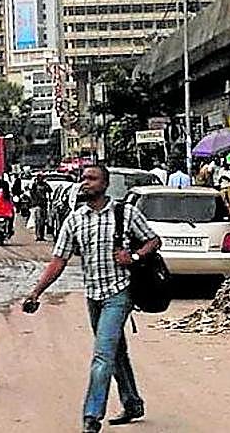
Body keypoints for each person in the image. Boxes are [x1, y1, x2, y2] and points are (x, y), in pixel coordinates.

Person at [23, 164, 162, 432]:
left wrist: (134, 256)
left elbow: (153, 241)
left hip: (119, 293)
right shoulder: (75, 220)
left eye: (92, 178)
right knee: (115, 351)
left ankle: (92, 416)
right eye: (83, 178)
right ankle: (132, 403)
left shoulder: (125, 213)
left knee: (102, 355)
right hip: (93, 296)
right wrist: (36, 292)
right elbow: (58, 260)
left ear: (105, 184)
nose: (85, 183)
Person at [29, 174, 51, 242]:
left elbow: (50, 191)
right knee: (38, 221)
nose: (41, 179)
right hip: (37, 205)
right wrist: (34, 201)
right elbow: (31, 193)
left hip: (44, 205)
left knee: (43, 221)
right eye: (40, 178)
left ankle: (42, 235)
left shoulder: (45, 185)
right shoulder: (35, 185)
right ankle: (38, 235)